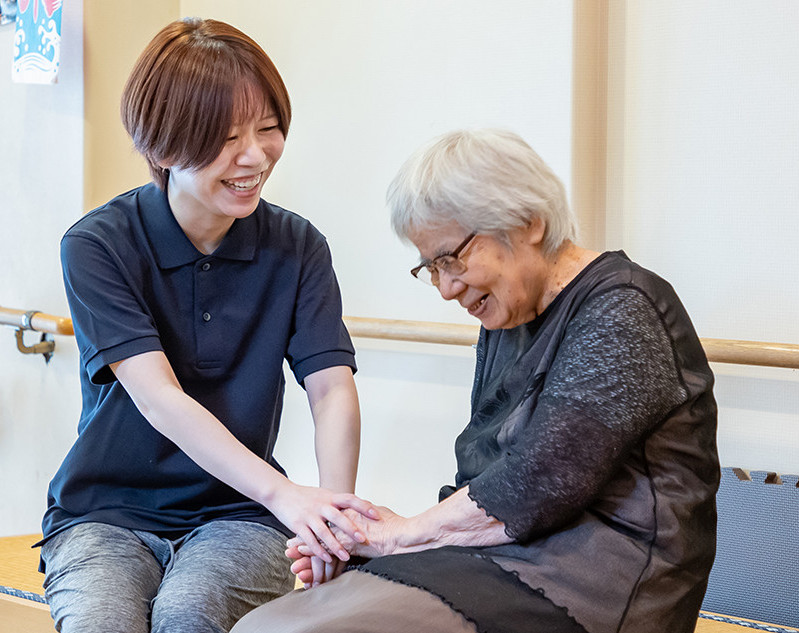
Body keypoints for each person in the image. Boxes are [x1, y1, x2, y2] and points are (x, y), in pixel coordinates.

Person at [231, 128, 720, 633]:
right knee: (265, 624)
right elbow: (481, 474)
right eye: (431, 268)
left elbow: (538, 483)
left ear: (528, 222)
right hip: (503, 562)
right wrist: (369, 538)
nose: (446, 289)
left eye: (452, 259)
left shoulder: (625, 308)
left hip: (599, 585)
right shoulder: (506, 321)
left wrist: (399, 537)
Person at [37, 18, 376, 633]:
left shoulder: (298, 247)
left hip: (238, 514)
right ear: (164, 146)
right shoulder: (98, 245)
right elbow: (160, 397)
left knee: (188, 617)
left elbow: (331, 388)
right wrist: (285, 493)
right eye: (226, 138)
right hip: (105, 512)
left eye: (268, 130)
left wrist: (331, 519)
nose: (255, 156)